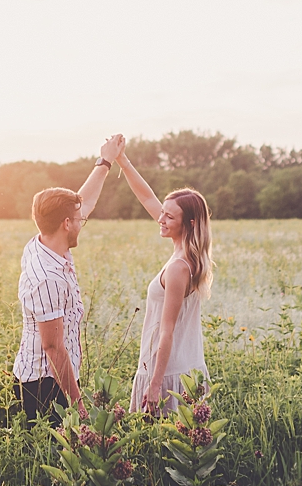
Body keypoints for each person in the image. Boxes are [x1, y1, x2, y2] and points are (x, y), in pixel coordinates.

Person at [13, 137, 125, 420]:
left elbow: (81, 204)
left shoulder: (46, 240)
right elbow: (53, 348)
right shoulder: (47, 277)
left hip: (56, 380)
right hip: (43, 388)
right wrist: (79, 407)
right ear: (66, 224)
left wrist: (105, 162)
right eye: (79, 220)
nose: (82, 221)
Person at [107, 139, 213, 412]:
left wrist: (154, 385)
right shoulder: (186, 253)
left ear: (188, 223)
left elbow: (167, 330)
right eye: (162, 213)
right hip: (184, 367)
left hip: (168, 374)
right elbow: (146, 197)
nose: (161, 220)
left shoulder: (179, 267)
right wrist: (122, 161)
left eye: (168, 217)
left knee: (159, 449)